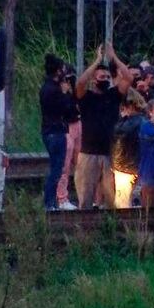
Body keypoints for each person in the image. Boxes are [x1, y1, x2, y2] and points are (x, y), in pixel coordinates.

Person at [74, 43, 133, 209]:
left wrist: (113, 57)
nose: (105, 80)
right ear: (94, 79)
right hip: (88, 153)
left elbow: (128, 78)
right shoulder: (87, 98)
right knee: (85, 198)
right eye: (102, 77)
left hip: (109, 153)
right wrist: (97, 61)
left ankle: (108, 230)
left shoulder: (113, 96)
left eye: (107, 78)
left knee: (110, 200)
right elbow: (80, 83)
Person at [39, 54, 72, 210]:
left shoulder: (45, 88)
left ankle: (50, 202)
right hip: (56, 131)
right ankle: (49, 203)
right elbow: (65, 109)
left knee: (55, 167)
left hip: (48, 131)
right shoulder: (55, 90)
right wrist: (65, 94)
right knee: (56, 169)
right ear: (58, 71)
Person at [111, 89, 147, 208]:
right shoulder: (145, 120)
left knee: (122, 204)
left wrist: (121, 119)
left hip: (125, 166)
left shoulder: (128, 122)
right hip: (140, 167)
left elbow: (116, 133)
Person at [56, 64, 81, 210]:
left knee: (81, 164)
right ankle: (61, 198)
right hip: (65, 127)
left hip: (77, 123)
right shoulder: (57, 92)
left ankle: (83, 195)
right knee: (64, 166)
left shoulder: (74, 91)